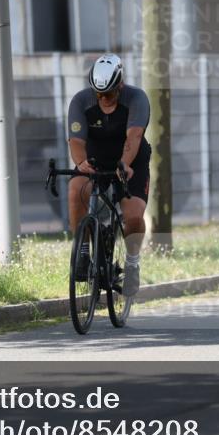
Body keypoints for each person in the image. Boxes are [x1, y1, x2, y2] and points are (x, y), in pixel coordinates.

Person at [66, 54, 150, 297]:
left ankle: (132, 263)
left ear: (120, 85)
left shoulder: (137, 99)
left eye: (110, 94)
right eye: (99, 94)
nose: (104, 100)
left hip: (130, 160)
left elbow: (134, 137)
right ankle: (82, 251)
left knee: (133, 216)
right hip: (94, 159)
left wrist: (124, 164)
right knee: (76, 190)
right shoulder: (81, 101)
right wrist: (81, 162)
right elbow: (76, 140)